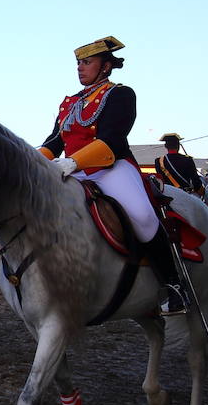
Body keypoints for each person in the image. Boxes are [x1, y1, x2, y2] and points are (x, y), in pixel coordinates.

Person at [39, 37, 188, 315]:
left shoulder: (121, 94)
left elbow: (112, 139)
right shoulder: (70, 102)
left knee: (142, 215)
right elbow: (54, 141)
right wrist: (33, 160)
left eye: (87, 62)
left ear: (106, 66)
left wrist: (72, 163)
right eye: (78, 63)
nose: (80, 68)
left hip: (111, 168)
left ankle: (173, 284)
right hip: (73, 170)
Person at [154, 133, 204, 197]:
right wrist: (201, 191)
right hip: (185, 195)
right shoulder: (188, 159)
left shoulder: (159, 161)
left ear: (165, 146)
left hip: (168, 196)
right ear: (178, 146)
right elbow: (195, 180)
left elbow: (161, 180)